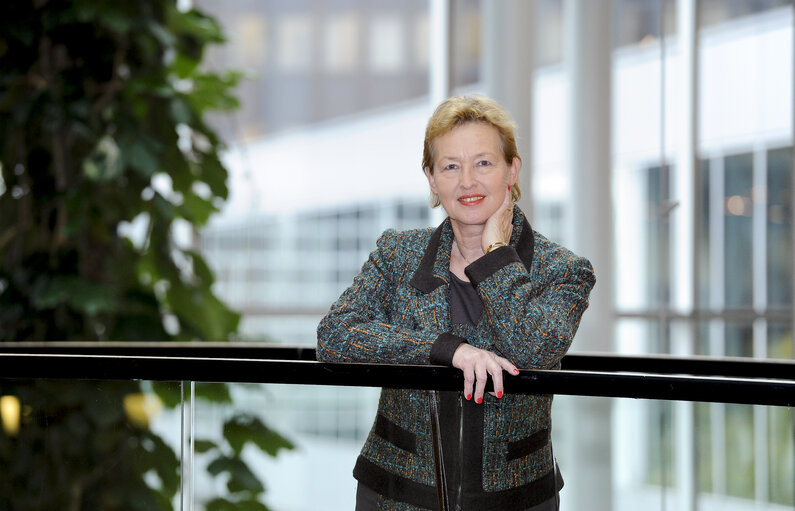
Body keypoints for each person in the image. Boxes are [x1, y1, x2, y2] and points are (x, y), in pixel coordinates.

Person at [317, 94, 595, 511]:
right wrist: (448, 350)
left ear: (511, 169)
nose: (467, 181)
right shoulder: (398, 254)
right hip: (396, 495)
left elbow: (534, 349)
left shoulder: (563, 271)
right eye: (450, 166)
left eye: (483, 162)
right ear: (431, 179)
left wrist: (496, 252)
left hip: (516, 501)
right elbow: (335, 336)